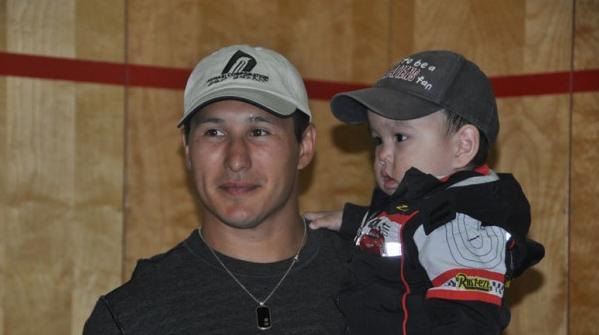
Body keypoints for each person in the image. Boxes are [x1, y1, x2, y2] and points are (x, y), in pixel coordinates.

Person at [83, 44, 351, 334]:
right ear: (187, 150)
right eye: (214, 133)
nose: (236, 159)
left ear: (305, 146)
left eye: (259, 132)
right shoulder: (131, 314)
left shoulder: (380, 283)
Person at [305, 50, 545, 334]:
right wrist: (354, 220)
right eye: (377, 140)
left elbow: (468, 320)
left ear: (463, 146)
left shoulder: (463, 224)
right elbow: (405, 237)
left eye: (400, 137)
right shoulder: (428, 206)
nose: (383, 154)